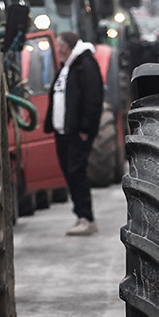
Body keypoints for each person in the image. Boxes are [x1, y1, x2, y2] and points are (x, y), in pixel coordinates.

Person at [44, 31, 103, 236]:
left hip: (78, 132)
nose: (57, 49)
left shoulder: (86, 65)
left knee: (76, 172)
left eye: (59, 45)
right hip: (63, 131)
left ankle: (87, 218)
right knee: (69, 172)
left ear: (65, 47)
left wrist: (86, 128)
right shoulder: (67, 67)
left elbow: (93, 98)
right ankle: (80, 215)